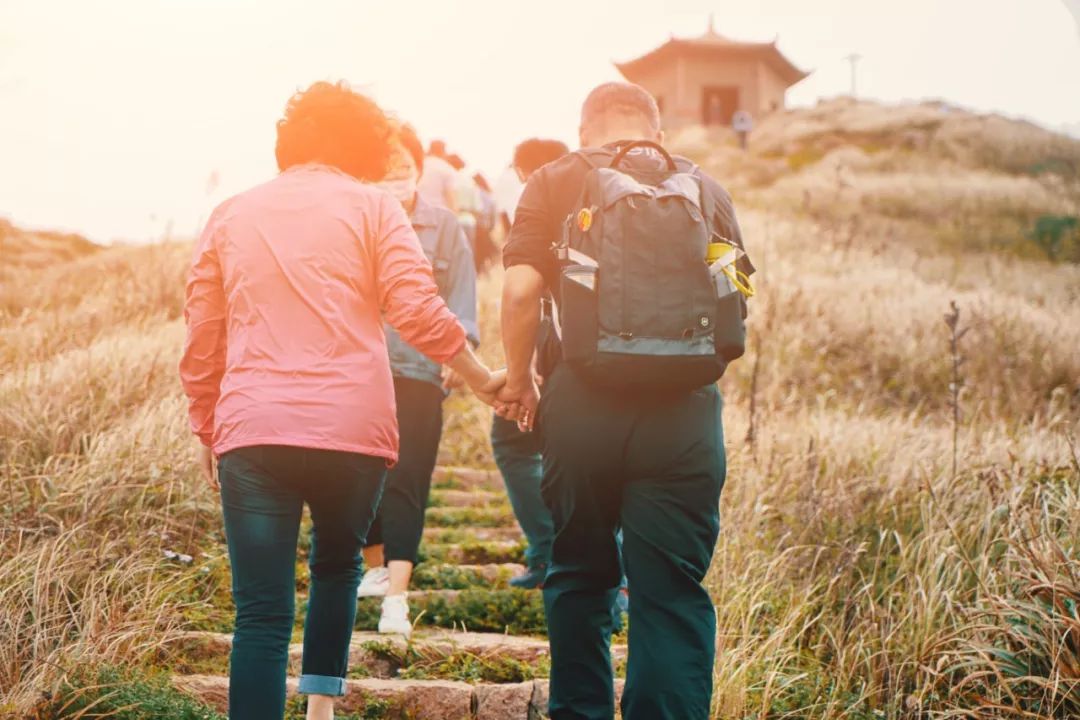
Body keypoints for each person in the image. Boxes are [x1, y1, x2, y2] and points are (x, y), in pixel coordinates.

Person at [179, 81, 503, 720]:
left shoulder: (231, 214)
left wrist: (206, 425)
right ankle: (321, 712)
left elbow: (202, 337)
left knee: (262, 612)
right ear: (365, 146)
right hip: (352, 430)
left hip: (255, 429)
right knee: (336, 570)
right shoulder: (376, 210)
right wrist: (478, 374)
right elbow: (416, 307)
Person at [496, 81, 752, 720]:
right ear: (656, 134)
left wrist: (522, 377)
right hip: (686, 411)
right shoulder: (705, 187)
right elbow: (738, 293)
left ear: (585, 130)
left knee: (580, 576)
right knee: (668, 591)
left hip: (582, 405)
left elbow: (522, 291)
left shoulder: (555, 178)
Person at [355, 124, 479, 637]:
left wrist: (461, 348)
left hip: (420, 370)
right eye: (385, 170)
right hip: (358, 372)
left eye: (403, 168)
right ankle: (375, 568)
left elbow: (462, 293)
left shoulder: (445, 226)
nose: (395, 177)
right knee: (365, 477)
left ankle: (397, 600)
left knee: (409, 478)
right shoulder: (354, 221)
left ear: (417, 169)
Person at [489, 137, 568, 590]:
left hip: (551, 338)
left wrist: (523, 370)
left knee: (513, 440)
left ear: (524, 173)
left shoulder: (538, 202)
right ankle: (611, 574)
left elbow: (524, 291)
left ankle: (547, 551)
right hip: (609, 346)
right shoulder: (597, 197)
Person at [416, 139, 458, 212]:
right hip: (438, 214)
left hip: (416, 211)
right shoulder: (447, 168)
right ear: (444, 151)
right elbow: (450, 197)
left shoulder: (419, 164)